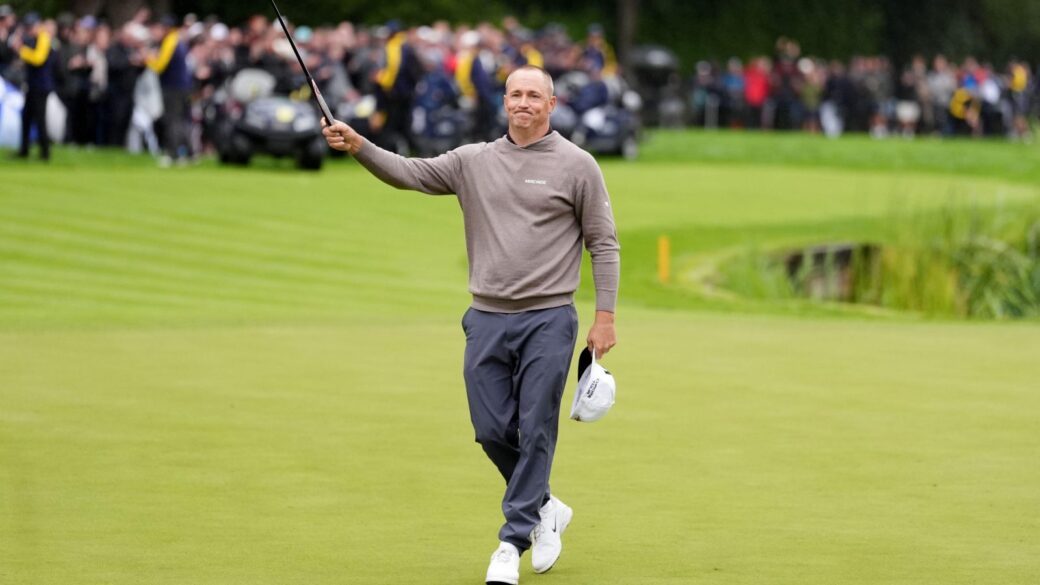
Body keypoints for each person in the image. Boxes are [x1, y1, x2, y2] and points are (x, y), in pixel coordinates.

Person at [321, 65, 619, 585]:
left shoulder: (578, 165)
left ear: (552, 104)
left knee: (536, 428)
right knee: (490, 430)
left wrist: (606, 316)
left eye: (534, 95)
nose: (523, 103)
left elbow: (604, 242)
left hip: (549, 317)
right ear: (504, 103)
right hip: (485, 317)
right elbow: (408, 172)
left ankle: (511, 540)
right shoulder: (472, 161)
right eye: (515, 95)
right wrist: (359, 145)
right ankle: (546, 507)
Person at [11, 12, 54, 160]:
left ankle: (45, 153)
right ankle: (24, 150)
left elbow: (38, 58)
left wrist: (21, 50)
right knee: (27, 117)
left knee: (40, 119)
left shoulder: (43, 37)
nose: (29, 30)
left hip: (41, 87)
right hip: (33, 85)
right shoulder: (32, 38)